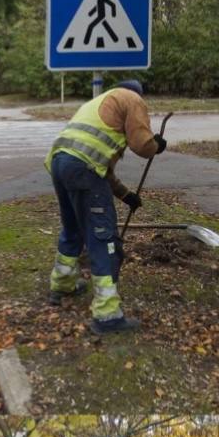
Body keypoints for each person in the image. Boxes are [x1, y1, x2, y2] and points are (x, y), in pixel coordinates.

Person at [44, 79, 167, 334]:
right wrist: (156, 145)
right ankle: (107, 314)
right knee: (103, 238)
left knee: (73, 228)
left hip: (60, 163)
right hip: (82, 168)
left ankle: (63, 284)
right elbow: (142, 144)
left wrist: (126, 196)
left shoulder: (100, 104)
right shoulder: (131, 98)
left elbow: (103, 170)